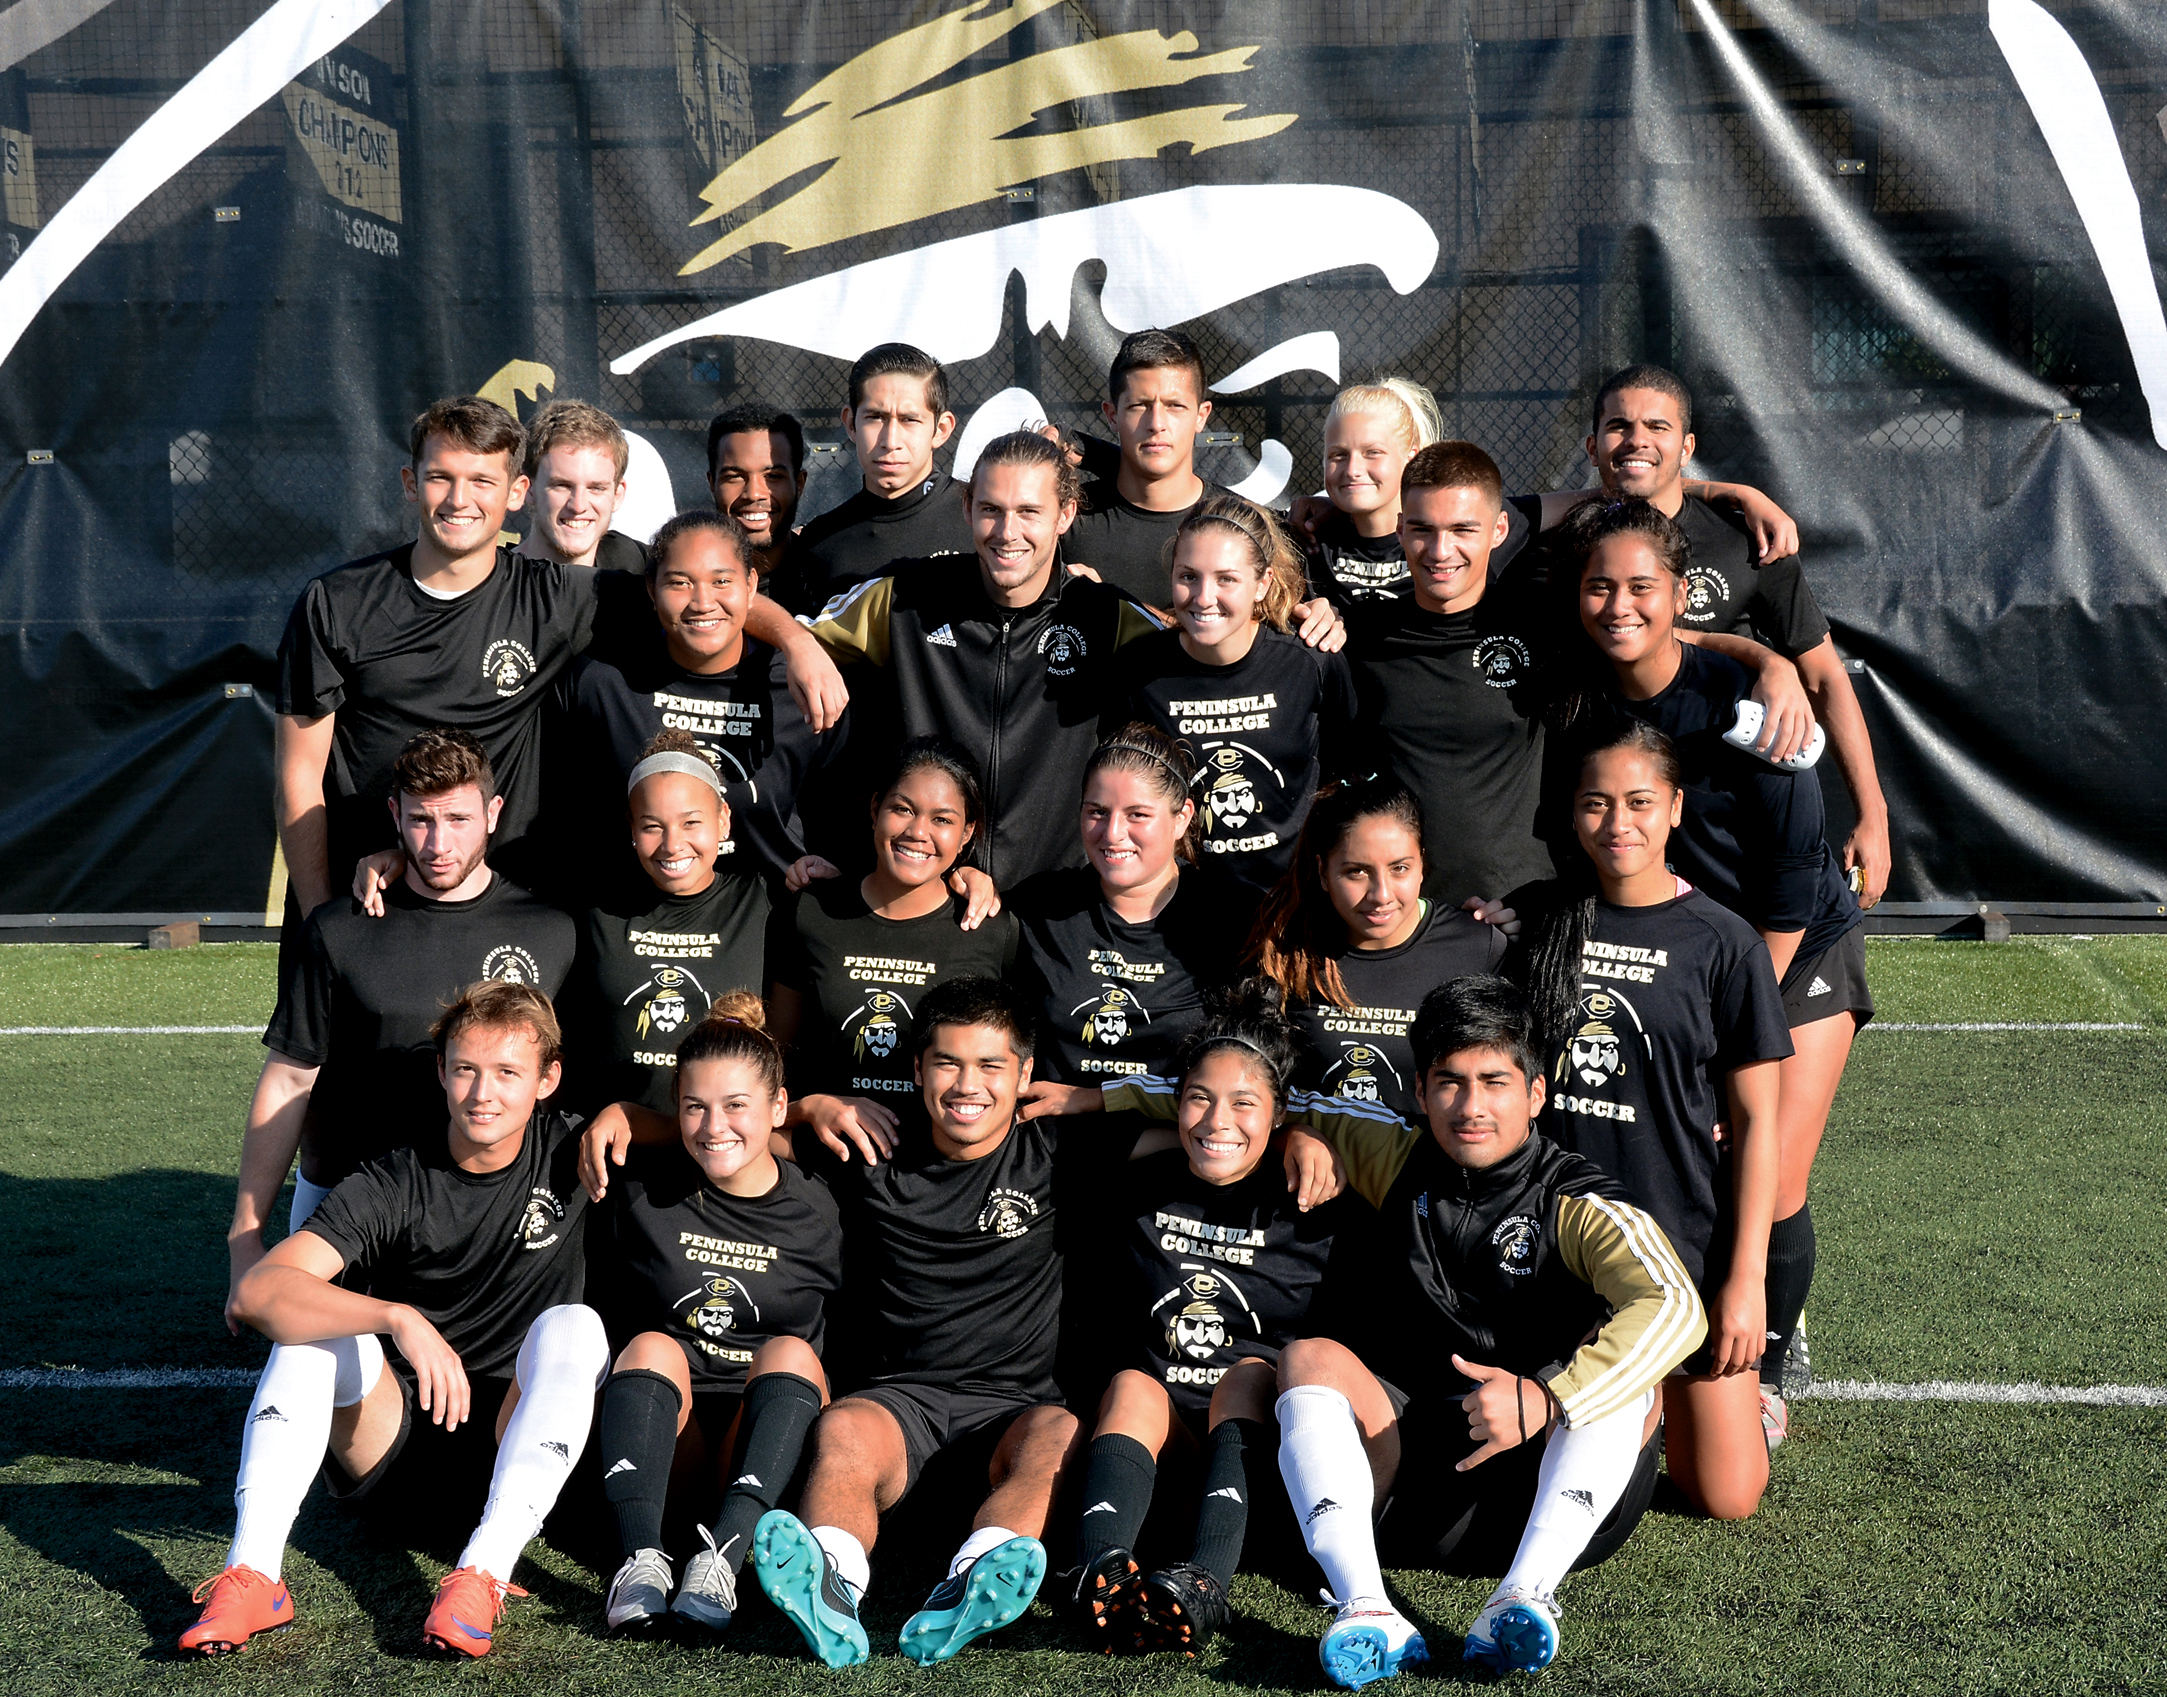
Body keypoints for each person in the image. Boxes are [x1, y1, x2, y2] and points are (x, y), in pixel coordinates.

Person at [1271, 976, 1705, 1682]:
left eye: (1494, 1081)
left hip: (1551, 1497)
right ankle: (1365, 1605)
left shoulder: (1577, 1201)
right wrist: (1291, 1131)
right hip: (1417, 1487)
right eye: (1449, 1082)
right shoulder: (1392, 1154)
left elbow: (1675, 1305)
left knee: (1634, 1382)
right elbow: (1234, 1102)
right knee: (1308, 1357)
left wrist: (1547, 1396)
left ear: (1535, 1093)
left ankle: (1523, 1595)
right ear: (1419, 1090)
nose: (1470, 1107)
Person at [278, 397, 847, 930]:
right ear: (410, 483)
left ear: (515, 491)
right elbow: (299, 776)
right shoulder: (339, 602)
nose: (459, 500)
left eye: (481, 481)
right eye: (440, 478)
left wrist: (798, 642)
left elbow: (700, 591)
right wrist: (321, 923)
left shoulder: (556, 596)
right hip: (368, 886)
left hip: (495, 891)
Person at [1559, 496, 1870, 1446]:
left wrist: (1735, 1026)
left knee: (1762, 1160)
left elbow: (1781, 898)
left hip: (1794, 943)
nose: (1618, 605)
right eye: (1599, 586)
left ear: (1677, 591)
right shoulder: (1582, 692)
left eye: (1639, 588)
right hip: (1683, 947)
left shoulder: (1755, 713)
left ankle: (1770, 1358)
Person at [181, 982, 609, 1660]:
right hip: (393, 1446)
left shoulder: (578, 1153)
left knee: (575, 1326)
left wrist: (627, 1116)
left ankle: (482, 1573)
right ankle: (255, 1572)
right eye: (465, 1068)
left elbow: (707, 1129)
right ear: (441, 1071)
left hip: (513, 1451)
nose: (482, 1093)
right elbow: (259, 1292)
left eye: (507, 1073)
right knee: (310, 1330)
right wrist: (395, 1316)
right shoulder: (394, 1176)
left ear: (547, 1078)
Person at [743, 977, 1096, 1668]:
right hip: (899, 1403)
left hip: (1014, 1407)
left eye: (991, 1065)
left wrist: (1093, 1097)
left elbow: (1209, 1123)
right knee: (840, 1425)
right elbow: (732, 1128)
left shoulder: (1058, 1152)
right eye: (947, 1062)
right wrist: (812, 1104)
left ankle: (969, 1582)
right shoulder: (871, 1142)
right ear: (915, 1069)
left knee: (1059, 1430)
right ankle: (832, 1585)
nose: (968, 1084)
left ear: (1025, 1073)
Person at [1508, 720, 1791, 1515]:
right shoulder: (1538, 925)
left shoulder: (1724, 942)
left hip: (1680, 1252)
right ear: (1570, 813)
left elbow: (1757, 1126)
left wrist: (1743, 1282)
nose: (1616, 822)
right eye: (1595, 803)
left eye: (1638, 801)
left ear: (1673, 808)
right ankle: (1635, 1399)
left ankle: (1680, 1393)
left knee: (1727, 1495)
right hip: (1559, 1251)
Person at [1341, 440, 1813, 910]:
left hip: (1528, 911)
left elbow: (1654, 630)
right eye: (1422, 528)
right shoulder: (1353, 638)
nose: (1441, 550)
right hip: (1407, 914)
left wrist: (1770, 662)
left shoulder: (1545, 621)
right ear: (1400, 528)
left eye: (1463, 528)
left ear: (1499, 528)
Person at [226, 729, 576, 1328]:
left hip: (500, 1233)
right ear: (394, 814)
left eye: (460, 820)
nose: (439, 844)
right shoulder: (341, 930)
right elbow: (289, 1082)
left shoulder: (555, 931)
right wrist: (244, 1241)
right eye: (420, 821)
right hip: (364, 1217)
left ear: (494, 813)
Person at [1071, 982, 1362, 1657]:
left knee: (1249, 1374)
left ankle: (1205, 1583)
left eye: (1244, 1104)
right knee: (1131, 1383)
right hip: (1160, 1459)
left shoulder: (1315, 1201)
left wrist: (1297, 1135)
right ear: (1174, 1102)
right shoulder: (1139, 1179)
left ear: (1280, 1113)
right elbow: (1072, 1138)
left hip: (1266, 1477)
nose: (1216, 1120)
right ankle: (1101, 1571)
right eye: (1199, 1097)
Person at [577, 995, 842, 1636]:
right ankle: (639, 1559)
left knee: (790, 1352)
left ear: (779, 1108)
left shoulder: (823, 1206)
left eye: (736, 1106)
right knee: (647, 1346)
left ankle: (722, 1557)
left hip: (768, 1440)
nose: (713, 1125)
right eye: (695, 1106)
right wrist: (616, 1113)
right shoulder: (641, 1192)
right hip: (668, 1442)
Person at [1581, 364, 1890, 906]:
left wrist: (1873, 815)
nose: (1637, 441)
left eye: (1658, 427)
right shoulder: (1571, 543)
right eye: (1619, 426)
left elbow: (1823, 678)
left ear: (1687, 444)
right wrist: (1766, 660)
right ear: (1592, 445)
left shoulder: (1749, 540)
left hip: (1736, 836)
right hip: (1622, 828)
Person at [798, 429, 1164, 885]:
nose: (1008, 532)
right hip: (933, 903)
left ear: (1065, 515)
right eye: (992, 509)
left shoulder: (1106, 615)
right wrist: (798, 647)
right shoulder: (905, 597)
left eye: (1030, 511)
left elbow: (1202, 669)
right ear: (968, 508)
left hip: (1056, 909)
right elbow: (768, 638)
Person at [551, 509, 847, 887]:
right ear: (650, 588)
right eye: (679, 583)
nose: (703, 601)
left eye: (722, 581)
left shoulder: (802, 687)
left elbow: (843, 816)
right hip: (630, 925)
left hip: (766, 923)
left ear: (751, 585)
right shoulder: (602, 685)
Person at [767, 736, 1019, 1160]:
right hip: (826, 1169)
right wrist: (807, 1109)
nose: (918, 832)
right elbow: (772, 1065)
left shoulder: (992, 932)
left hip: (937, 1177)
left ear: (967, 833)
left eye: (942, 819)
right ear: (874, 809)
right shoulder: (811, 913)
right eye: (903, 809)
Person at [1110, 494, 1358, 891]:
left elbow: (1349, 771)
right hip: (1180, 907)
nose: (1204, 597)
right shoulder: (1139, 669)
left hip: (1289, 906)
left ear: (1263, 584)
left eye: (1226, 579)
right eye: (1188, 576)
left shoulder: (1310, 660)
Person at [1247, 778, 1506, 1128]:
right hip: (1317, 1179)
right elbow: (1253, 1090)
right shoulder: (1287, 953)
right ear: (1323, 872)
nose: (1381, 894)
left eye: (1400, 868)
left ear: (1422, 862)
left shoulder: (1478, 947)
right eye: (1357, 872)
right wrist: (1291, 1137)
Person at [1010, 725, 1245, 1103]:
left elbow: (1251, 1078)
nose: (1113, 833)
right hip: (1051, 1151)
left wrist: (1098, 1101)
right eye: (1097, 812)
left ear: (1182, 816)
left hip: (1178, 1149)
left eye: (1137, 814)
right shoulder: (1040, 907)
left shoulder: (1229, 920)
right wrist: (965, 882)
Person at [564, 733, 770, 1116]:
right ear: (630, 826)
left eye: (691, 822)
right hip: (615, 1150)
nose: (672, 844)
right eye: (652, 826)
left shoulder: (763, 903)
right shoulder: (593, 910)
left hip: (722, 1147)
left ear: (723, 818)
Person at [792, 343, 972, 606]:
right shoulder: (818, 543)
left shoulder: (985, 520)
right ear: (851, 424)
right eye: (876, 417)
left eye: (910, 419)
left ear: (941, 429)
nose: (891, 440)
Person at [1304, 378, 1446, 606]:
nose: (1352, 470)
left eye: (1372, 452)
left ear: (1411, 458)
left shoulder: (1445, 543)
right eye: (1338, 455)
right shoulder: (1307, 541)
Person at [517, 397, 643, 573]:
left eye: (596, 488)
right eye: (562, 485)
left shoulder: (644, 573)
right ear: (528, 488)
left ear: (617, 494)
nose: (578, 506)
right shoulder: (492, 589)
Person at [706, 401, 808, 589]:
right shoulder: (682, 583)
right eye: (735, 477)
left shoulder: (829, 578)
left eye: (772, 477)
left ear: (799, 483)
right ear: (712, 483)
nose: (753, 494)